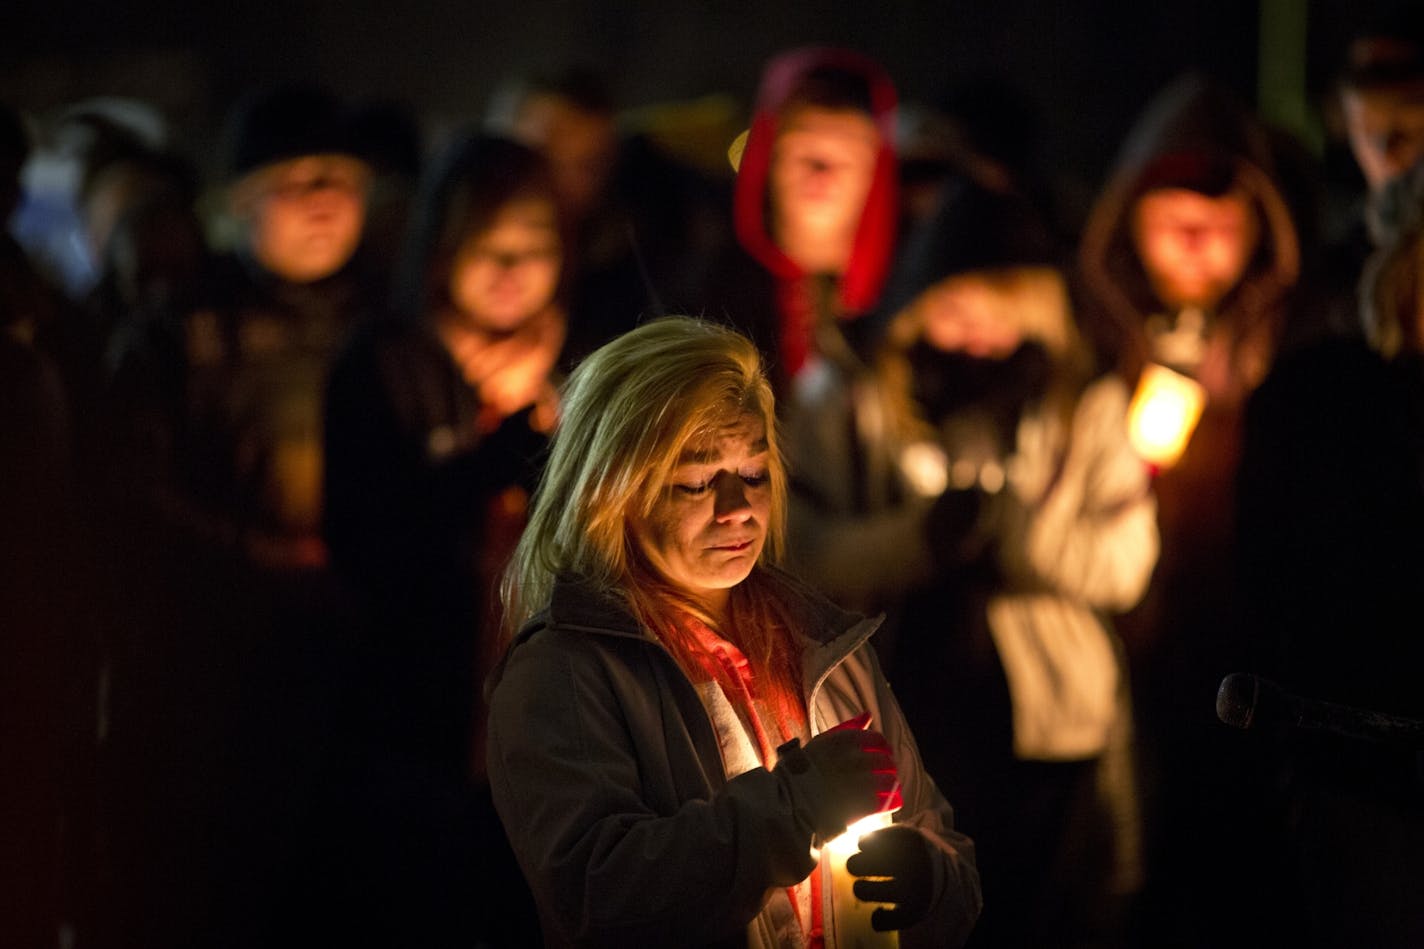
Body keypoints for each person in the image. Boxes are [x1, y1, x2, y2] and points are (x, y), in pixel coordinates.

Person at [485, 316, 981, 948]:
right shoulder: (563, 671)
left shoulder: (821, 644)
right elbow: (596, 895)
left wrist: (928, 881)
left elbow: (948, 854)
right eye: (695, 482)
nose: (737, 508)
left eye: (752, 475)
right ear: (610, 491)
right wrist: (793, 809)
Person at [789, 179, 1158, 947]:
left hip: (1049, 727)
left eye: (1000, 305)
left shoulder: (1078, 402)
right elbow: (798, 549)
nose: (975, 330)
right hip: (895, 710)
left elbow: (1125, 564)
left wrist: (1014, 533)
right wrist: (918, 540)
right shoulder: (850, 393)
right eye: (955, 303)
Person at [1075, 72, 1304, 946]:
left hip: (1263, 650)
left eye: (1220, 225)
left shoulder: (1302, 340)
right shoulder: (1094, 338)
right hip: (1122, 657)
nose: (1197, 245)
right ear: (1129, 221)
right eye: (1174, 222)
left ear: (1263, 226)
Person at [322, 131, 561, 947]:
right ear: (440, 249)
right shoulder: (385, 365)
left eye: (534, 247)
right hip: (419, 726)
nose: (511, 270)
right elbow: (371, 545)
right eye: (486, 247)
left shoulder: (581, 369)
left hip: (551, 732)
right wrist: (488, 468)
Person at [704, 47, 900, 398]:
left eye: (846, 155)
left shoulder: (904, 301)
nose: (822, 173)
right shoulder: (710, 292)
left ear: (876, 167)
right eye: (802, 150)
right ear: (769, 156)